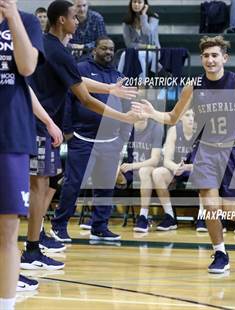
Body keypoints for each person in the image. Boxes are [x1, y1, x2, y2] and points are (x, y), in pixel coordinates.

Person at [133, 35, 235, 273]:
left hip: (232, 152)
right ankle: (220, 253)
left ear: (224, 57)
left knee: (230, 210)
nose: (210, 60)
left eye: (214, 55)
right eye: (205, 56)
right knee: (211, 207)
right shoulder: (193, 87)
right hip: (205, 153)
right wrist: (152, 113)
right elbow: (172, 118)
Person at [22, 0, 138, 271]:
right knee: (40, 188)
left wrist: (111, 90)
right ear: (62, 20)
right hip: (39, 124)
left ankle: (37, 239)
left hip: (44, 124)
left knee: (50, 184)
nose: (78, 22)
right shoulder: (55, 50)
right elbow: (84, 98)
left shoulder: (52, 47)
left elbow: (78, 79)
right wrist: (122, 116)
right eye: (74, 17)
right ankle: (31, 249)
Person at [50, 36, 132, 242]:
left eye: (111, 49)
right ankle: (59, 225)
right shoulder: (81, 69)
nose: (108, 52)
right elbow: (68, 99)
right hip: (81, 137)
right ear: (94, 50)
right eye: (104, 48)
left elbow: (127, 108)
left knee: (105, 185)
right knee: (73, 184)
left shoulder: (119, 76)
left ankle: (100, 226)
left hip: (110, 141)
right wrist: (67, 130)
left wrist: (122, 137)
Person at [0, 1, 45, 307]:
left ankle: (6, 303)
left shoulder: (27, 21)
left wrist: (12, 14)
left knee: (7, 228)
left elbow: (27, 67)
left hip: (10, 133)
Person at [152, 109, 196, 231]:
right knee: (157, 173)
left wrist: (186, 167)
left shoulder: (201, 132)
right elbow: (167, 161)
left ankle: (203, 218)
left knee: (206, 174)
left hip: (195, 169)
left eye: (193, 115)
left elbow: (205, 163)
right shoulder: (174, 131)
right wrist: (175, 167)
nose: (191, 118)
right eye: (187, 115)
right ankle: (170, 216)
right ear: (181, 117)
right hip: (177, 169)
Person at [117, 117, 163, 232]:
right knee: (109, 169)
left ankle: (143, 217)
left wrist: (133, 166)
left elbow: (155, 160)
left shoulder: (156, 127)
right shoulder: (127, 127)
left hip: (149, 168)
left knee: (144, 171)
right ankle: (97, 214)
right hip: (131, 169)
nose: (140, 111)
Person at [118, 0, 160, 79]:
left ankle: (142, 84)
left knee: (139, 55)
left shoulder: (153, 17)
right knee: (124, 54)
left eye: (140, 2)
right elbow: (129, 44)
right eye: (134, 2)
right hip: (138, 50)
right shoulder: (127, 21)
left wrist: (143, 15)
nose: (136, 4)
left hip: (153, 52)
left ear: (145, 4)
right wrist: (147, 46)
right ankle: (117, 81)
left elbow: (147, 32)